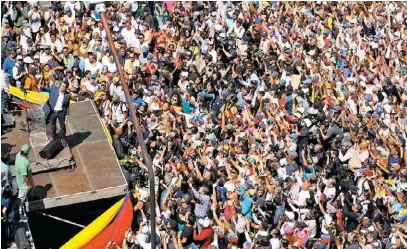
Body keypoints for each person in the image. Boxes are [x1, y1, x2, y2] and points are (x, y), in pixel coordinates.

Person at [42, 82, 70, 147]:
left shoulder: (67, 95)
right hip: (53, 111)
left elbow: (67, 105)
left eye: (64, 87)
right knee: (52, 126)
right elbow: (47, 89)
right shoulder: (55, 89)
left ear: (66, 88)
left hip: (61, 112)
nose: (62, 88)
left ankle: (63, 139)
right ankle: (54, 138)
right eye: (61, 86)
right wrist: (42, 87)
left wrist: (67, 114)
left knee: (62, 126)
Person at [15, 144, 33, 216]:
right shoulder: (24, 163)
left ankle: (23, 203)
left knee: (23, 196)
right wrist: (28, 185)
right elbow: (25, 176)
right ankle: (19, 213)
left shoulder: (18, 154)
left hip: (20, 179)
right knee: (20, 199)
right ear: (27, 152)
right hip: (23, 184)